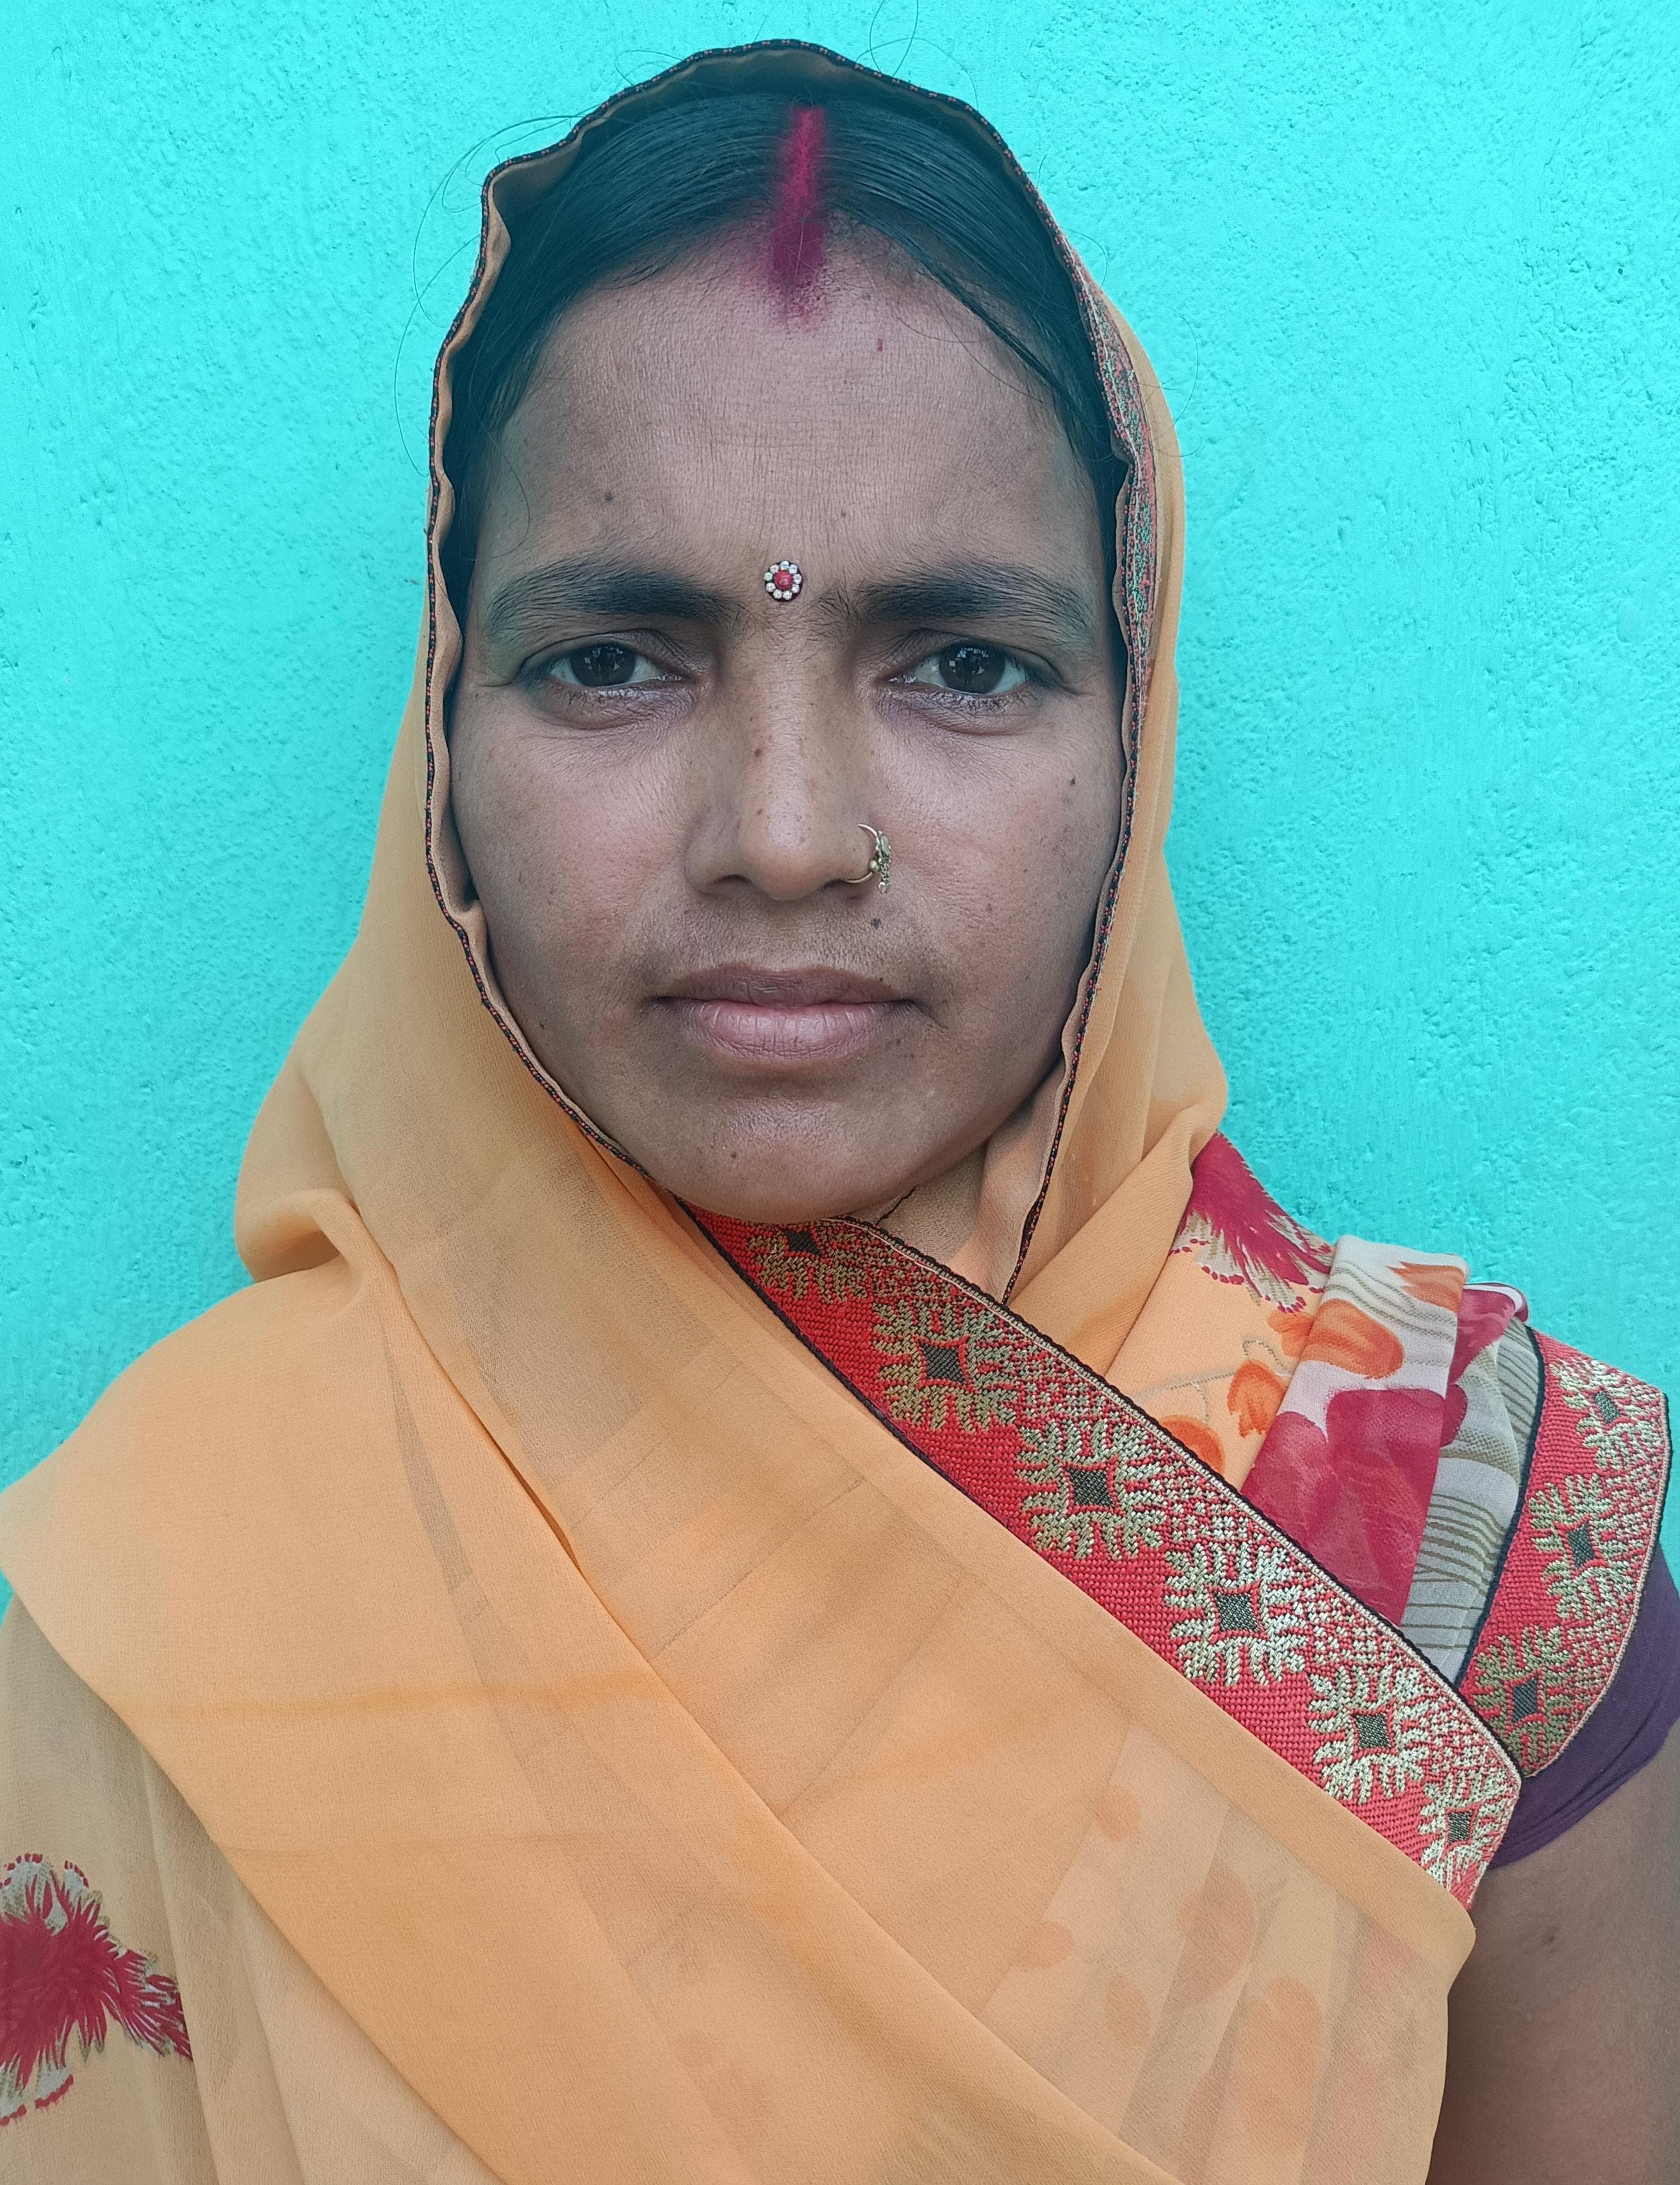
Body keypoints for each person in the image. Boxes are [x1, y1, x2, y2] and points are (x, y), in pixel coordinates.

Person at [1, 40, 1674, 2185]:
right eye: (614, 658)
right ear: (445, 738)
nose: (786, 836)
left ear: (1133, 727)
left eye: (964, 662)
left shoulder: (1464, 1556)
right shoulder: (186, 1578)